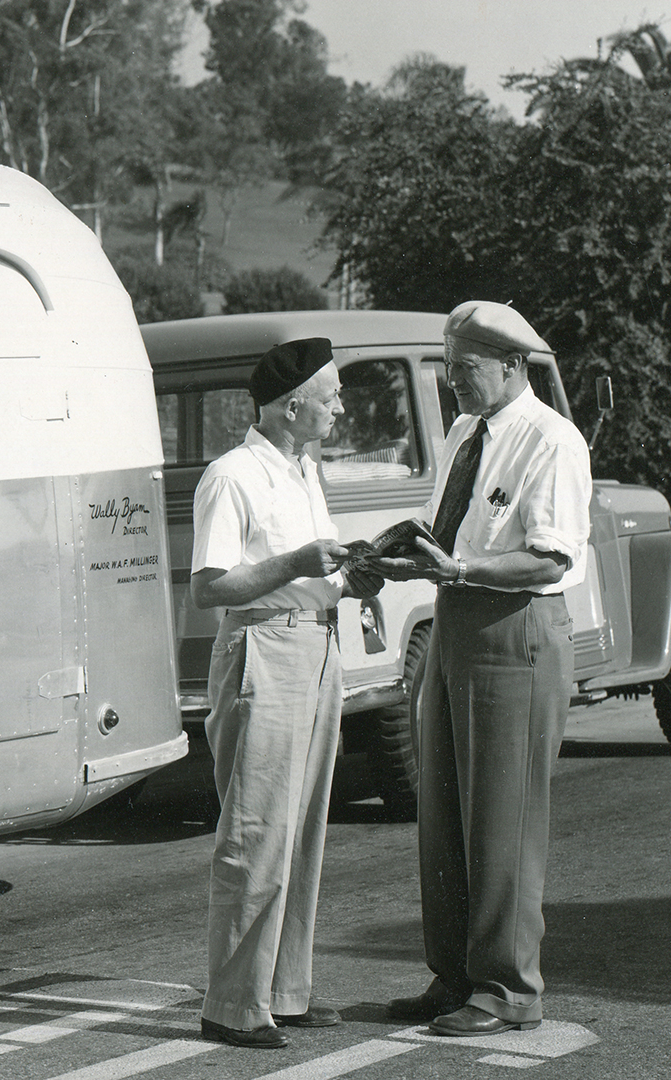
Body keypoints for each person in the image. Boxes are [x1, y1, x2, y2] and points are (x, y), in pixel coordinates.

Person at [375, 301, 591, 1036]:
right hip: (456, 618)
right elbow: (452, 534)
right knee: (444, 813)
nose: (452, 381)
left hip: (514, 629)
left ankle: (507, 990)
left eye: (464, 368)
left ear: (512, 365)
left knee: (504, 818)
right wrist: (407, 558)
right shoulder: (466, 432)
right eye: (449, 366)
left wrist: (461, 568)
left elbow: (551, 558)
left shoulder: (552, 441)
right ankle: (456, 975)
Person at [189, 337, 382, 1049]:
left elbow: (310, 572)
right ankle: (233, 1005)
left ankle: (284, 991)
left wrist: (351, 580)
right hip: (264, 650)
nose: (340, 408)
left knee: (301, 830)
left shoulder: (304, 471)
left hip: (316, 647)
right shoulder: (232, 476)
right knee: (256, 831)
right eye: (330, 397)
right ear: (292, 406)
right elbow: (211, 587)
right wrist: (298, 563)